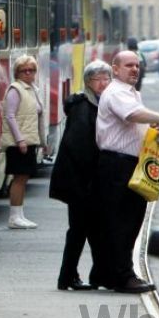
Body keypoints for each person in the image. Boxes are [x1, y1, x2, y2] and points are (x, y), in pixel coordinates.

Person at [94, 50, 159, 293]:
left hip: (127, 163)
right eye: (128, 65)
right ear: (115, 69)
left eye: (137, 65)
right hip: (117, 165)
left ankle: (112, 273)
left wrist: (151, 124)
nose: (134, 69)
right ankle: (123, 276)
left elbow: (135, 119)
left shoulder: (129, 92)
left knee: (128, 220)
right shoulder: (116, 92)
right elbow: (132, 114)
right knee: (123, 221)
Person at [49, 60, 112, 290]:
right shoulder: (83, 106)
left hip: (85, 181)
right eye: (97, 79)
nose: (103, 83)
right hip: (79, 181)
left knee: (91, 229)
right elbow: (79, 147)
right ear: (88, 82)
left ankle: (93, 275)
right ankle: (68, 277)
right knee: (80, 230)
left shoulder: (97, 104)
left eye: (106, 78)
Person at [1, 55, 46, 229]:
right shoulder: (15, 90)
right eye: (24, 70)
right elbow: (10, 116)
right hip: (19, 143)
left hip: (28, 141)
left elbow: (38, 117)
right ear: (17, 73)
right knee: (19, 178)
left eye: (32, 70)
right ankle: (14, 216)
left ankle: (20, 214)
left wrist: (42, 142)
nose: (28, 73)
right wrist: (20, 139)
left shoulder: (32, 89)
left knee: (23, 177)